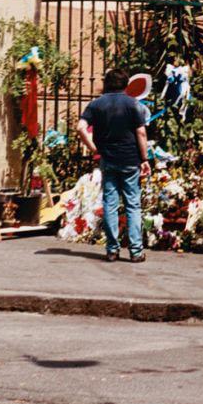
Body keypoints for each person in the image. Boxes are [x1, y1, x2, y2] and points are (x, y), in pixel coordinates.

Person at [77, 67, 151, 262]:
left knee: (110, 204)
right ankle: (135, 251)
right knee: (132, 205)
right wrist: (145, 159)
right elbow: (141, 133)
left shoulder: (96, 105)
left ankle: (112, 250)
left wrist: (94, 148)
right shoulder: (133, 104)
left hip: (108, 159)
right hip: (130, 159)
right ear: (126, 85)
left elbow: (81, 128)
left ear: (106, 84)